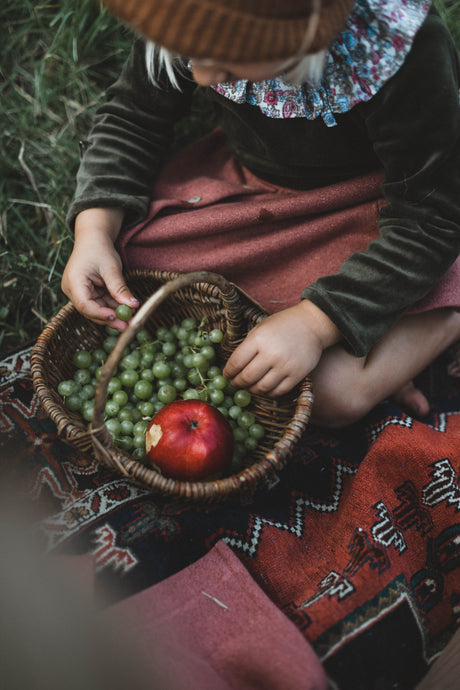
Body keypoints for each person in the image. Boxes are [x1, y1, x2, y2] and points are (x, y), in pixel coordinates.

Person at [62, 0, 460, 427]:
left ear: (303, 37)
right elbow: (132, 120)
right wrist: (94, 231)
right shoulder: (184, 13)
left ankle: (446, 308)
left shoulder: (398, 51)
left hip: (378, 208)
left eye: (229, 66)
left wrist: (314, 323)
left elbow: (429, 215)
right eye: (191, 57)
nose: (201, 77)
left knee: (326, 394)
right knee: (130, 261)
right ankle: (384, 331)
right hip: (257, 195)